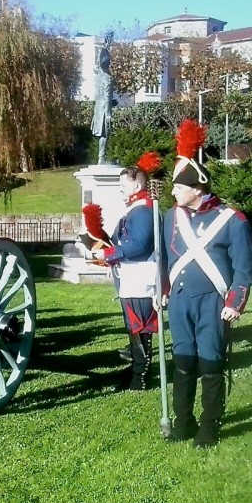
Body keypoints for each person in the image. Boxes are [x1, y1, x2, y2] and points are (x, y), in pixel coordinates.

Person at [162, 119, 252, 448]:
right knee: (184, 361)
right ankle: (183, 421)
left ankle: (210, 425)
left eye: (178, 187)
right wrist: (161, 291)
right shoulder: (171, 217)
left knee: (211, 363)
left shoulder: (232, 220)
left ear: (197, 188)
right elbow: (165, 259)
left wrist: (235, 302)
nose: (172, 191)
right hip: (180, 300)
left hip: (213, 303)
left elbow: (245, 268)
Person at [92, 152, 161, 391]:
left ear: (138, 184)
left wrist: (109, 255)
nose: (120, 189)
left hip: (140, 275)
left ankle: (140, 378)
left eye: (123, 184)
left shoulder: (142, 211)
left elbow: (139, 244)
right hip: (132, 275)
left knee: (140, 327)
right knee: (134, 326)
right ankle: (135, 373)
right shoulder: (136, 209)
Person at [91, 45, 113, 165]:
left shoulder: (99, 77)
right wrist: (108, 113)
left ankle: (102, 156)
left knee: (103, 134)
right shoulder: (107, 78)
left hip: (98, 109)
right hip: (104, 110)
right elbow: (107, 96)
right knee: (105, 134)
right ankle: (101, 157)